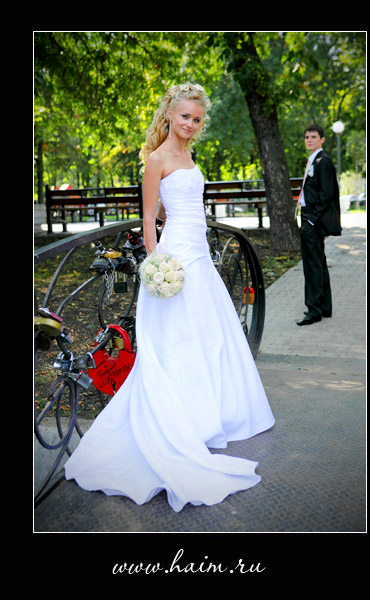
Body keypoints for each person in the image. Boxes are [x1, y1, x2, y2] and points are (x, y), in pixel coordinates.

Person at [64, 83, 275, 513]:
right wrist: (156, 264)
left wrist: (171, 215)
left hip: (199, 254)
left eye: (197, 119)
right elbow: (148, 218)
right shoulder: (156, 159)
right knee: (176, 337)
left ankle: (209, 414)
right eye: (185, 117)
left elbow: (172, 206)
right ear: (170, 115)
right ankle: (181, 418)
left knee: (207, 334)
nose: (190, 124)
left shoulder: (190, 157)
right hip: (176, 257)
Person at [296, 124, 342, 326]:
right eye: (307, 137)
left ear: (322, 139)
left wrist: (312, 219)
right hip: (309, 217)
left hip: (312, 220)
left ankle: (313, 310)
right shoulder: (313, 160)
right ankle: (324, 307)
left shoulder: (323, 162)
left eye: (313, 137)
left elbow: (326, 194)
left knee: (312, 266)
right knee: (319, 263)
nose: (309, 140)